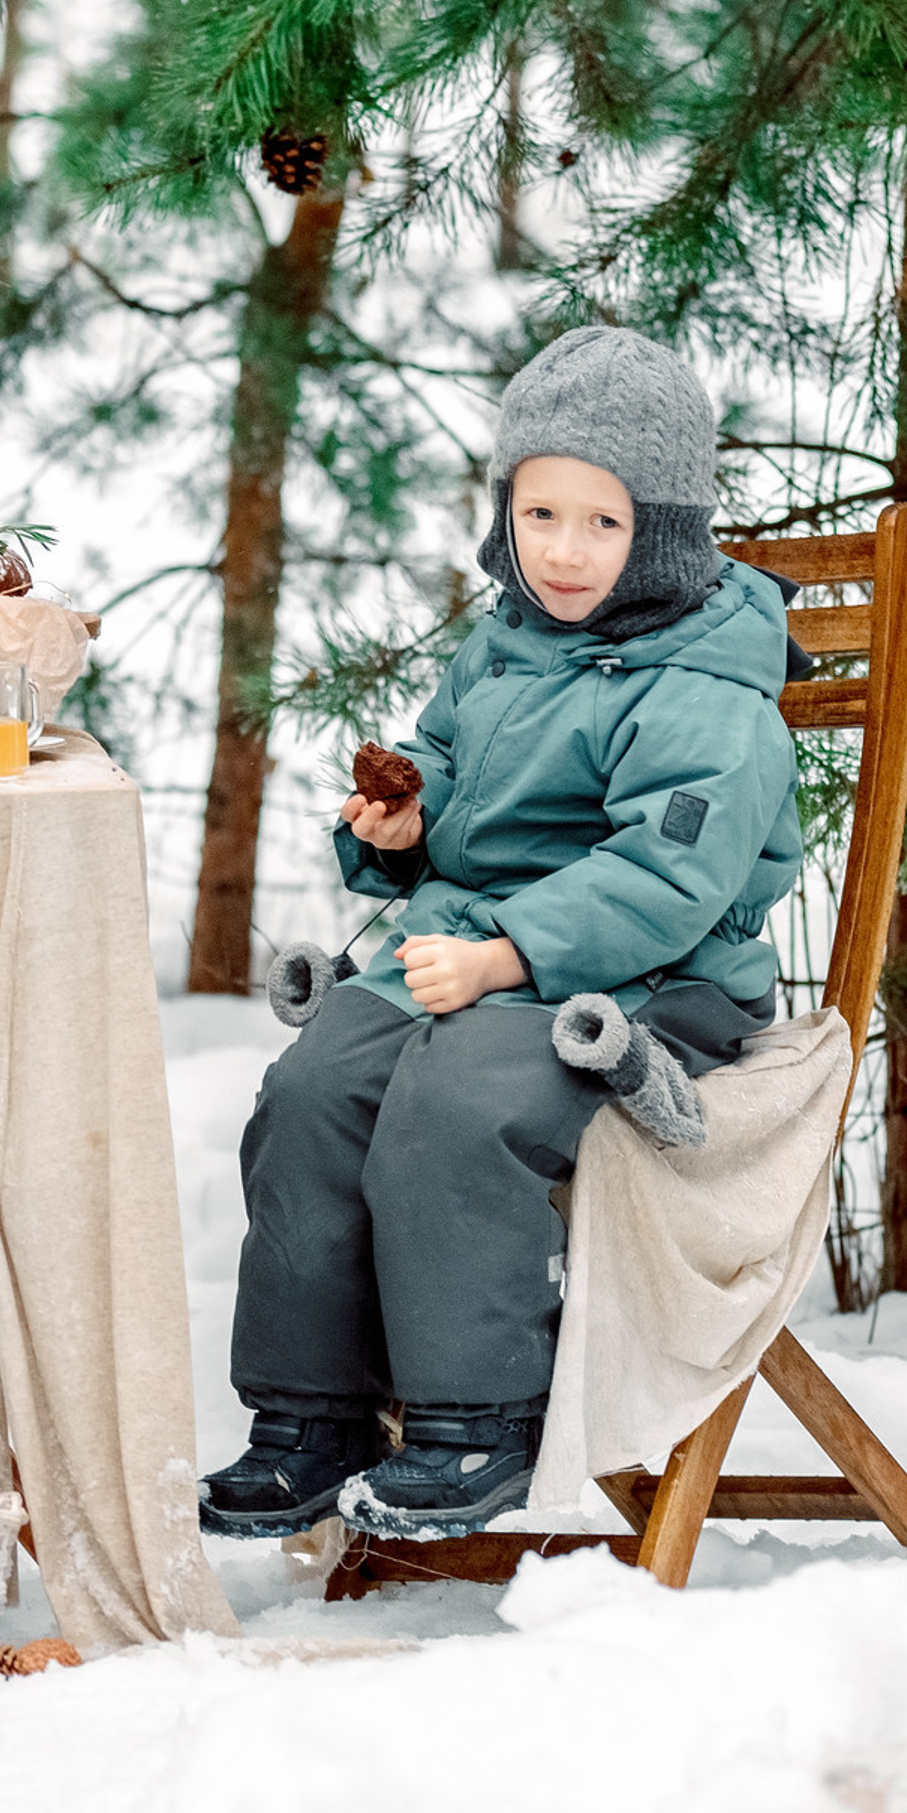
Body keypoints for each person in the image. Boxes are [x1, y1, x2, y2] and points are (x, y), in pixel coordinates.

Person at [199, 327, 804, 1540]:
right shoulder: (502, 645)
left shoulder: (708, 692)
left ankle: (478, 1422)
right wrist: (403, 816)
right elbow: (447, 761)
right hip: (466, 957)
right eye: (539, 516)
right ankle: (310, 1415)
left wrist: (503, 958)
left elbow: (664, 879)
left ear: (665, 533)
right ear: (503, 517)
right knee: (314, 1087)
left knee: (459, 1104)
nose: (564, 552)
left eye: (602, 522)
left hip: (655, 984)